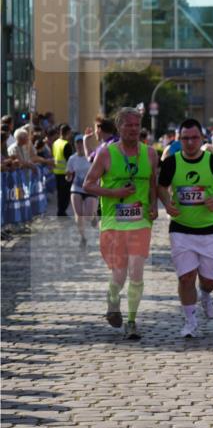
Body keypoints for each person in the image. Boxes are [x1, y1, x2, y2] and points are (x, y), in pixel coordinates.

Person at [83, 108, 158, 340]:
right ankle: (113, 301)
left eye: (137, 125)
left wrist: (154, 204)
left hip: (140, 222)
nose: (134, 129)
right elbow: (88, 184)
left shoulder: (150, 154)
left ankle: (132, 321)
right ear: (119, 127)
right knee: (119, 274)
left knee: (136, 272)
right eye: (128, 125)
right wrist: (115, 192)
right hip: (113, 223)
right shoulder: (105, 154)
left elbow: (153, 182)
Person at [158, 118, 213, 337]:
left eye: (194, 138)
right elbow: (161, 186)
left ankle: (206, 295)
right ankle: (190, 321)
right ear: (179, 140)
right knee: (186, 277)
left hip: (210, 229)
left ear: (202, 139)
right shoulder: (172, 162)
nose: (190, 142)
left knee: (209, 281)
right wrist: (167, 204)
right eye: (185, 138)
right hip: (181, 228)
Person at [66, 134, 98, 246]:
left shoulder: (91, 156)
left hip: (90, 188)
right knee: (79, 214)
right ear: (74, 145)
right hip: (76, 187)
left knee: (88, 216)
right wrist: (68, 176)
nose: (79, 145)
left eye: (81, 142)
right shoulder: (72, 158)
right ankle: (82, 237)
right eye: (77, 143)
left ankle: (94, 216)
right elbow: (68, 175)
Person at [52, 124, 74, 216]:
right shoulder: (66, 144)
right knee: (65, 194)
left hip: (56, 172)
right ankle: (62, 211)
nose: (71, 135)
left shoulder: (55, 143)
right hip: (65, 173)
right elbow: (70, 160)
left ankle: (60, 210)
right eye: (70, 133)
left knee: (60, 194)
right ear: (67, 133)